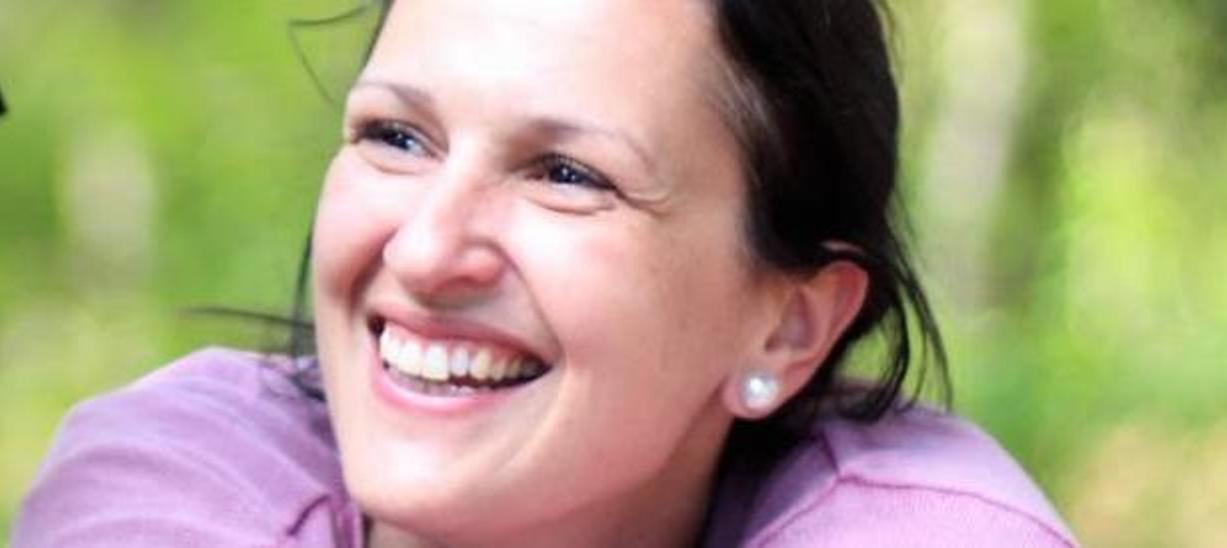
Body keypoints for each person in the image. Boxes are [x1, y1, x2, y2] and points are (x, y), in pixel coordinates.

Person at [13, 0, 1077, 546]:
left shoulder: (922, 521)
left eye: (568, 175)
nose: (424, 250)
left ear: (789, 326)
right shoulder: (161, 492)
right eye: (395, 136)